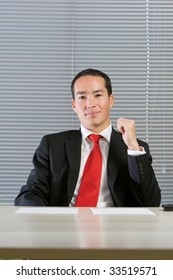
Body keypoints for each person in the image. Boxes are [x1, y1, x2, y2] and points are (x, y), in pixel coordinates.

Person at [14, 68, 161, 207]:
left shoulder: (134, 148)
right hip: (65, 225)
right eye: (82, 97)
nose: (90, 104)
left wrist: (133, 148)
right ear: (74, 105)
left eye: (97, 95)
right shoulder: (52, 145)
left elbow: (150, 202)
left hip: (116, 227)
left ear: (111, 100)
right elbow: (31, 193)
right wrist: (45, 220)